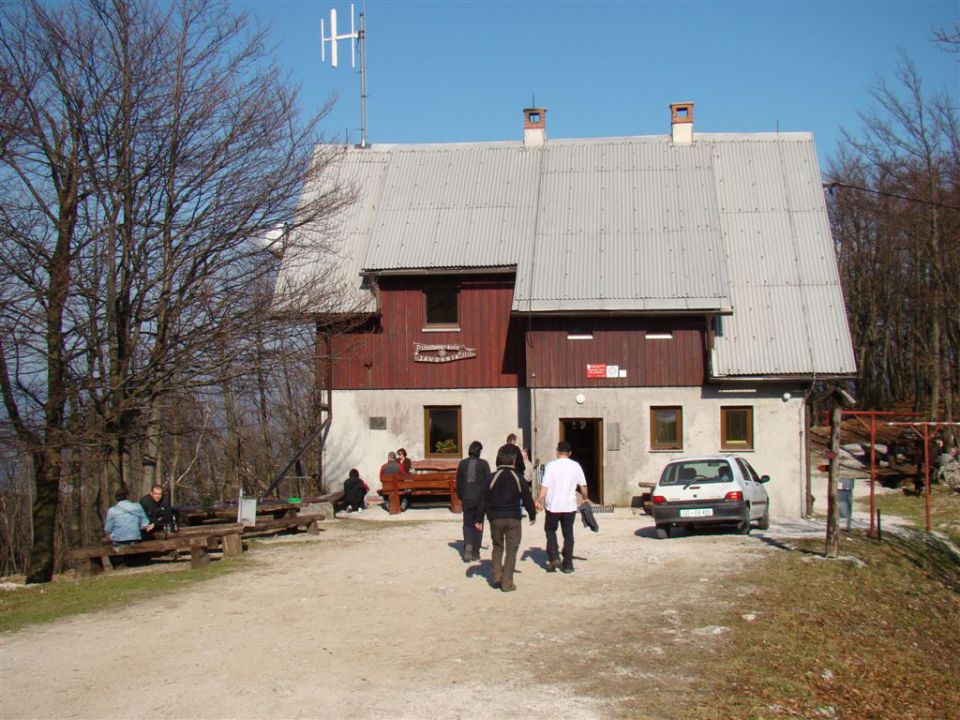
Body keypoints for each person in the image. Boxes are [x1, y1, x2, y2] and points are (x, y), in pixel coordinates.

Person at [476, 444, 536, 592]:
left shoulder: (492, 477)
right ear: (515, 461)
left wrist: (478, 519)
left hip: (495, 518)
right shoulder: (518, 477)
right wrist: (532, 514)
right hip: (513, 518)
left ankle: (497, 576)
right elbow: (527, 498)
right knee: (511, 550)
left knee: (497, 546)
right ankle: (507, 583)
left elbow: (482, 499)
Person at [535, 440, 589, 573]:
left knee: (550, 530)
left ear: (557, 452)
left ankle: (554, 557)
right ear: (570, 453)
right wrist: (585, 498)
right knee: (568, 534)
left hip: (553, 506)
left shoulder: (551, 466)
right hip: (569, 506)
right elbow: (583, 485)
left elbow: (545, 486)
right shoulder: (575, 466)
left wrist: (538, 500)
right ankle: (568, 564)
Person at [456, 440, 491, 562]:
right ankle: (476, 552)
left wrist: (460, 497)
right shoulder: (484, 464)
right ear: (479, 451)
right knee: (478, 524)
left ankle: (468, 544)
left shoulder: (462, 464)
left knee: (467, 523)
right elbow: (488, 483)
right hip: (480, 499)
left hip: (467, 498)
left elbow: (459, 482)